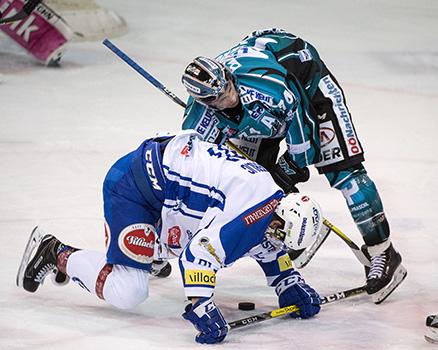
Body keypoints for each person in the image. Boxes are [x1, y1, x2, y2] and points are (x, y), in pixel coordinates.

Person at [17, 130, 323, 344]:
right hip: (133, 187)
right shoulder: (251, 215)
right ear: (281, 215)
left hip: (167, 188)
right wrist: (201, 304)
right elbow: (197, 256)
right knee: (129, 291)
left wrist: (288, 280)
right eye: (282, 233)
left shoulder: (271, 197)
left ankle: (153, 252)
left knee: (167, 248)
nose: (278, 241)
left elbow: (266, 243)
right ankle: (56, 252)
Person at [181, 28, 407, 303]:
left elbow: (305, 137)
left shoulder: (268, 86)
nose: (229, 98)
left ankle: (383, 251)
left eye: (228, 87)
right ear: (203, 101)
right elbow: (198, 165)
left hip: (308, 86)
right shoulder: (199, 116)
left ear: (229, 77)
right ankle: (288, 232)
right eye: (218, 99)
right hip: (264, 106)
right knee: (250, 180)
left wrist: (286, 172)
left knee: (345, 172)